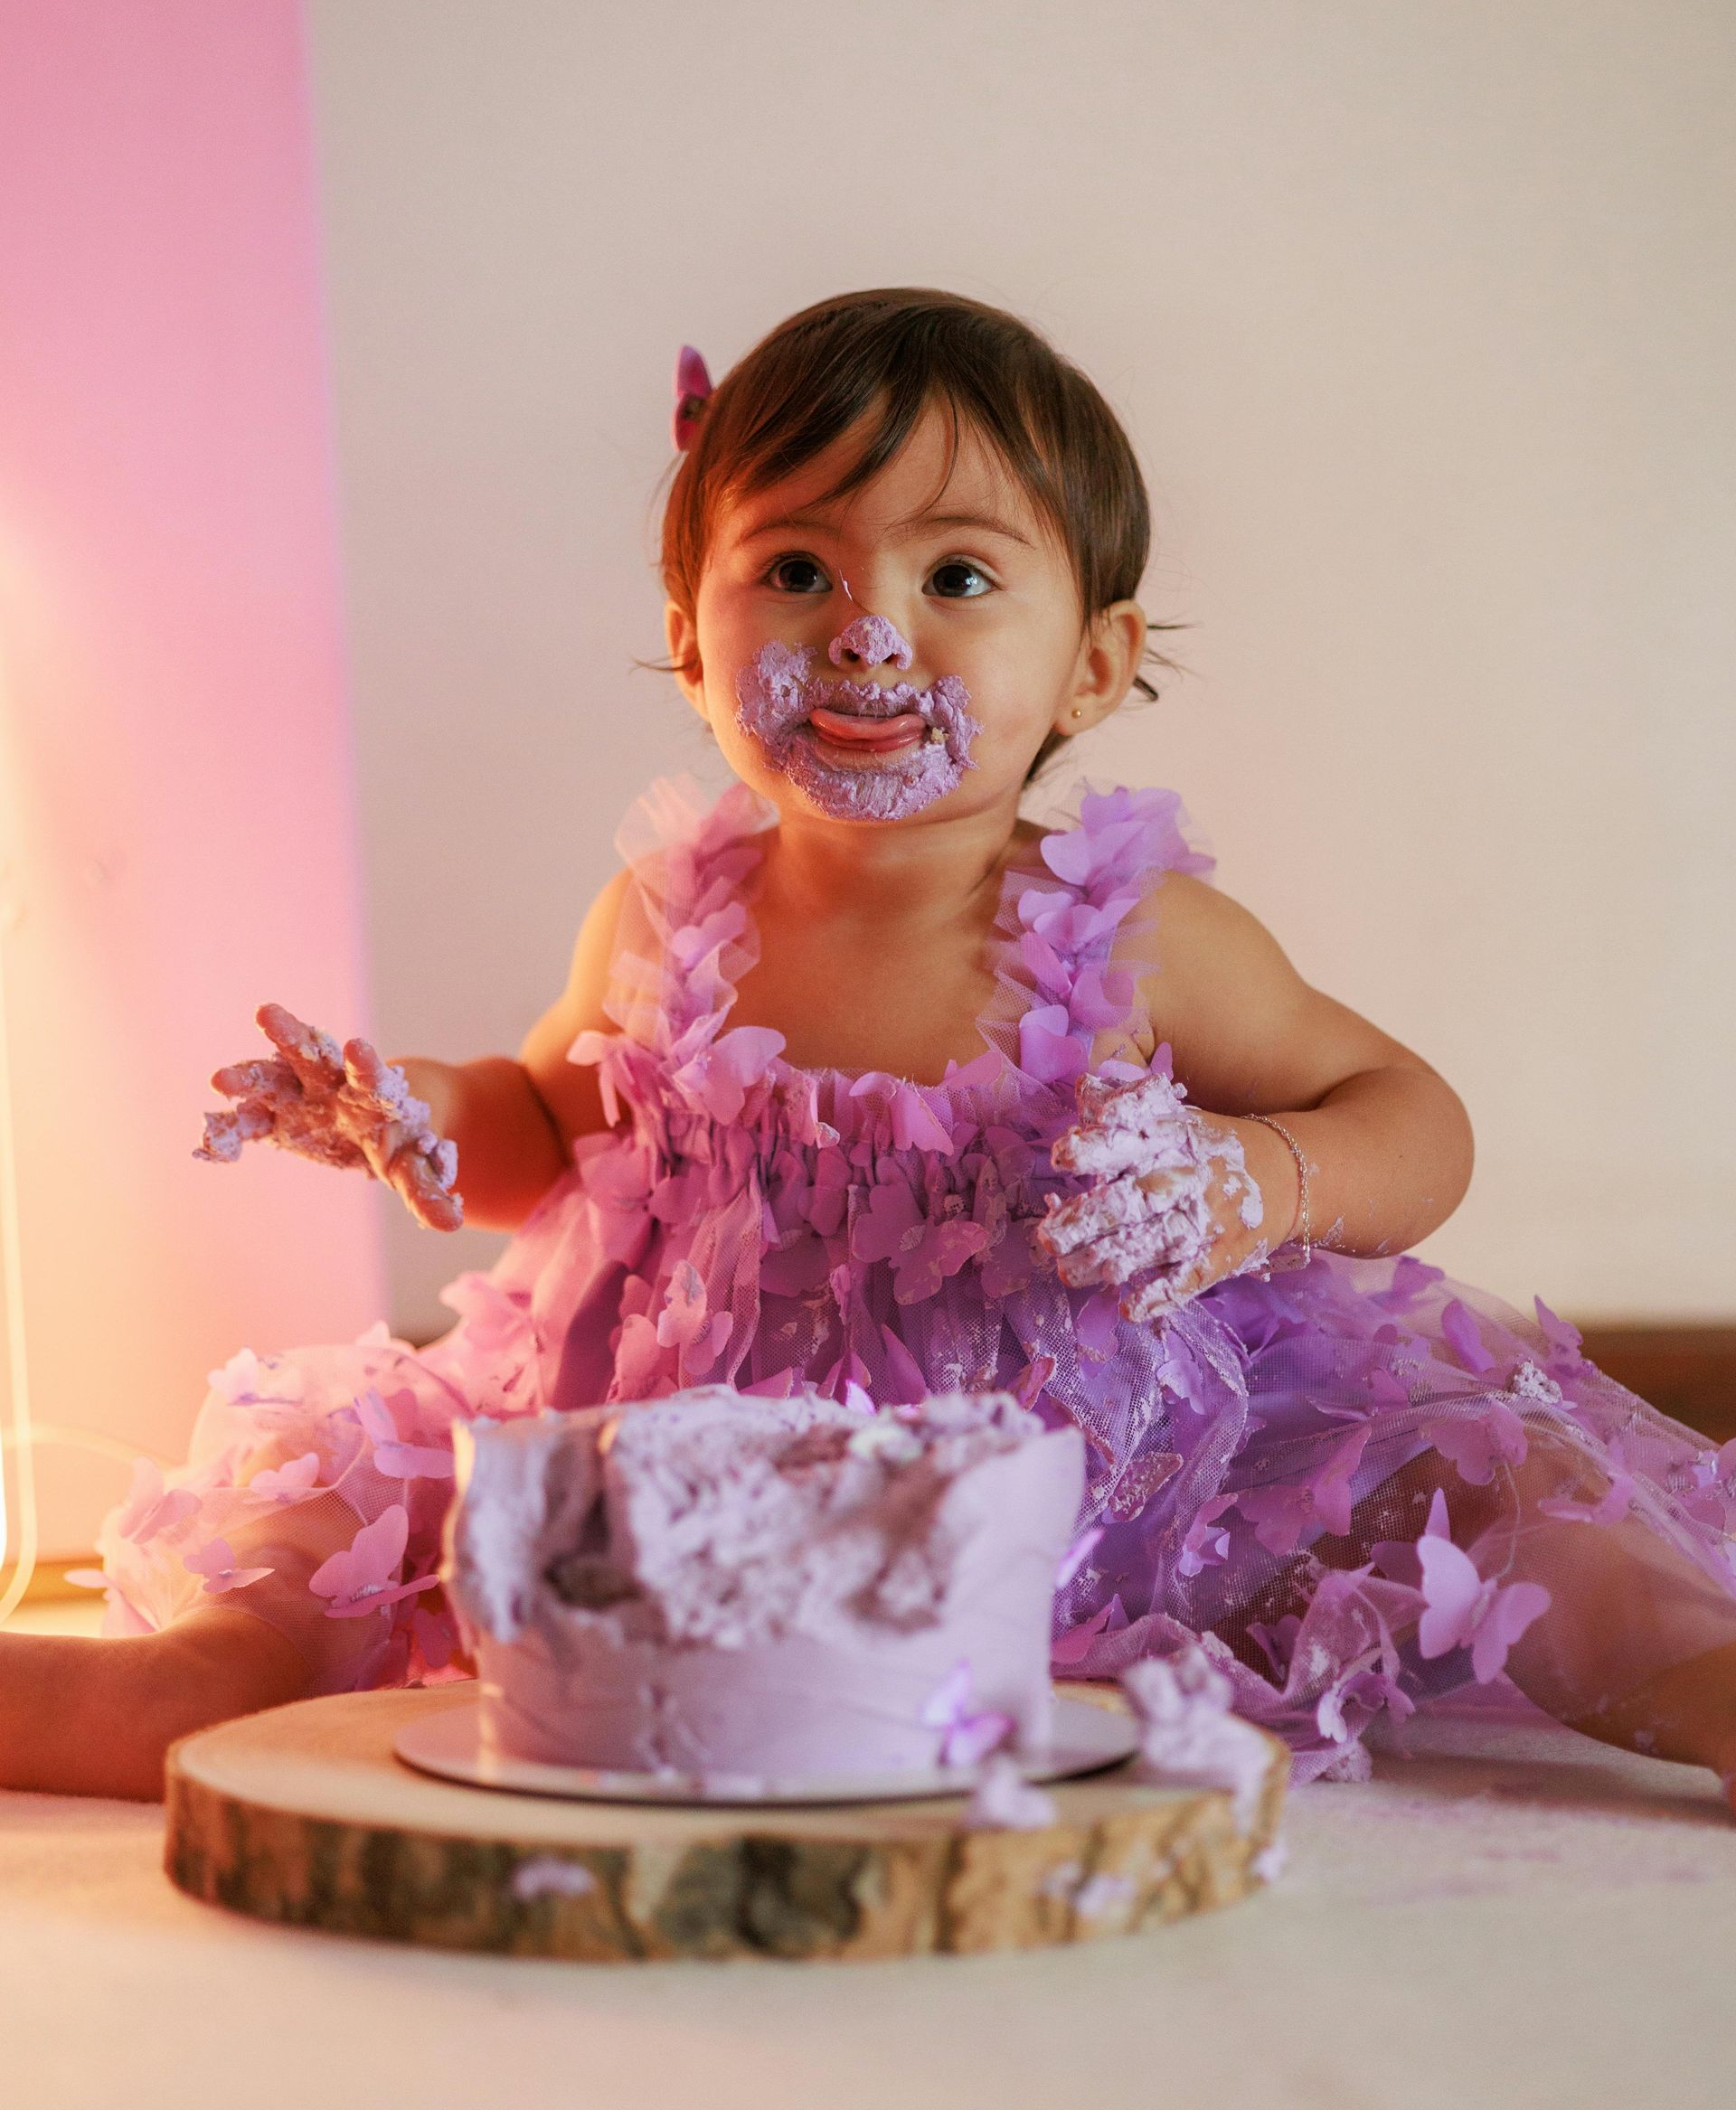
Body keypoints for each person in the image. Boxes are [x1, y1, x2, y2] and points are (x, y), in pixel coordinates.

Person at [6, 287, 1732, 1805]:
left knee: (1489, 1503)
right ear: (692, 640)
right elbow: (555, 1127)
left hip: (1105, 1475)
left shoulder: (1137, 939)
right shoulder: (667, 919)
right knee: (363, 1518)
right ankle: (178, 1681)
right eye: (796, 567)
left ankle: (1706, 1685)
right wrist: (426, 1120)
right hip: (699, 1474)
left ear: (1094, 664)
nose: (868, 623)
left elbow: (1415, 1122)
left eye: (958, 572)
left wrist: (1250, 1181)